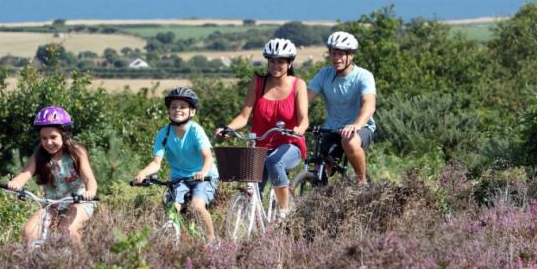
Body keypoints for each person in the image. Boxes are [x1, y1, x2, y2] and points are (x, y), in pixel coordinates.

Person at [216, 38, 308, 216]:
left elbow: (304, 119)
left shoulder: (298, 85)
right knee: (253, 189)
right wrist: (226, 128)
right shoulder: (258, 83)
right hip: (260, 147)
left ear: (289, 64)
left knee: (274, 161)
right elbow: (244, 116)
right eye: (272, 61)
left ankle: (285, 210)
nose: (275, 65)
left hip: (289, 145)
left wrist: (300, 129)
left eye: (281, 61)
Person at [134, 86, 218, 241]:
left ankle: (212, 240)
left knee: (197, 207)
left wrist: (203, 173)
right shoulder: (163, 134)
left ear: (192, 112)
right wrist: (143, 173)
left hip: (203, 176)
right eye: (173, 107)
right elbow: (156, 162)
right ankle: (177, 239)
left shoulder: (196, 130)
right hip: (179, 178)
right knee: (172, 210)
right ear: (168, 111)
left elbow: (208, 157)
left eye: (182, 107)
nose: (177, 110)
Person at [6, 106, 98, 245]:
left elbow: (89, 179)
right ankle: (35, 265)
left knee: (67, 230)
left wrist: (90, 192)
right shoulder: (39, 156)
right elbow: (25, 174)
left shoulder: (77, 153)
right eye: (44, 138)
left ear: (64, 134)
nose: (48, 142)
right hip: (52, 206)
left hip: (78, 202)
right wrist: (16, 183)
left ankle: (81, 264)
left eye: (53, 137)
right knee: (29, 232)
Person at [307, 31, 376, 184]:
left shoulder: (364, 76)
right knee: (320, 166)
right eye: (333, 53)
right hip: (333, 129)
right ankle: (319, 197)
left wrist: (356, 124)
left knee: (349, 141)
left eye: (340, 54)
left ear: (351, 56)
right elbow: (305, 99)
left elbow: (369, 105)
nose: (336, 58)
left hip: (361, 128)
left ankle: (361, 182)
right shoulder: (325, 74)